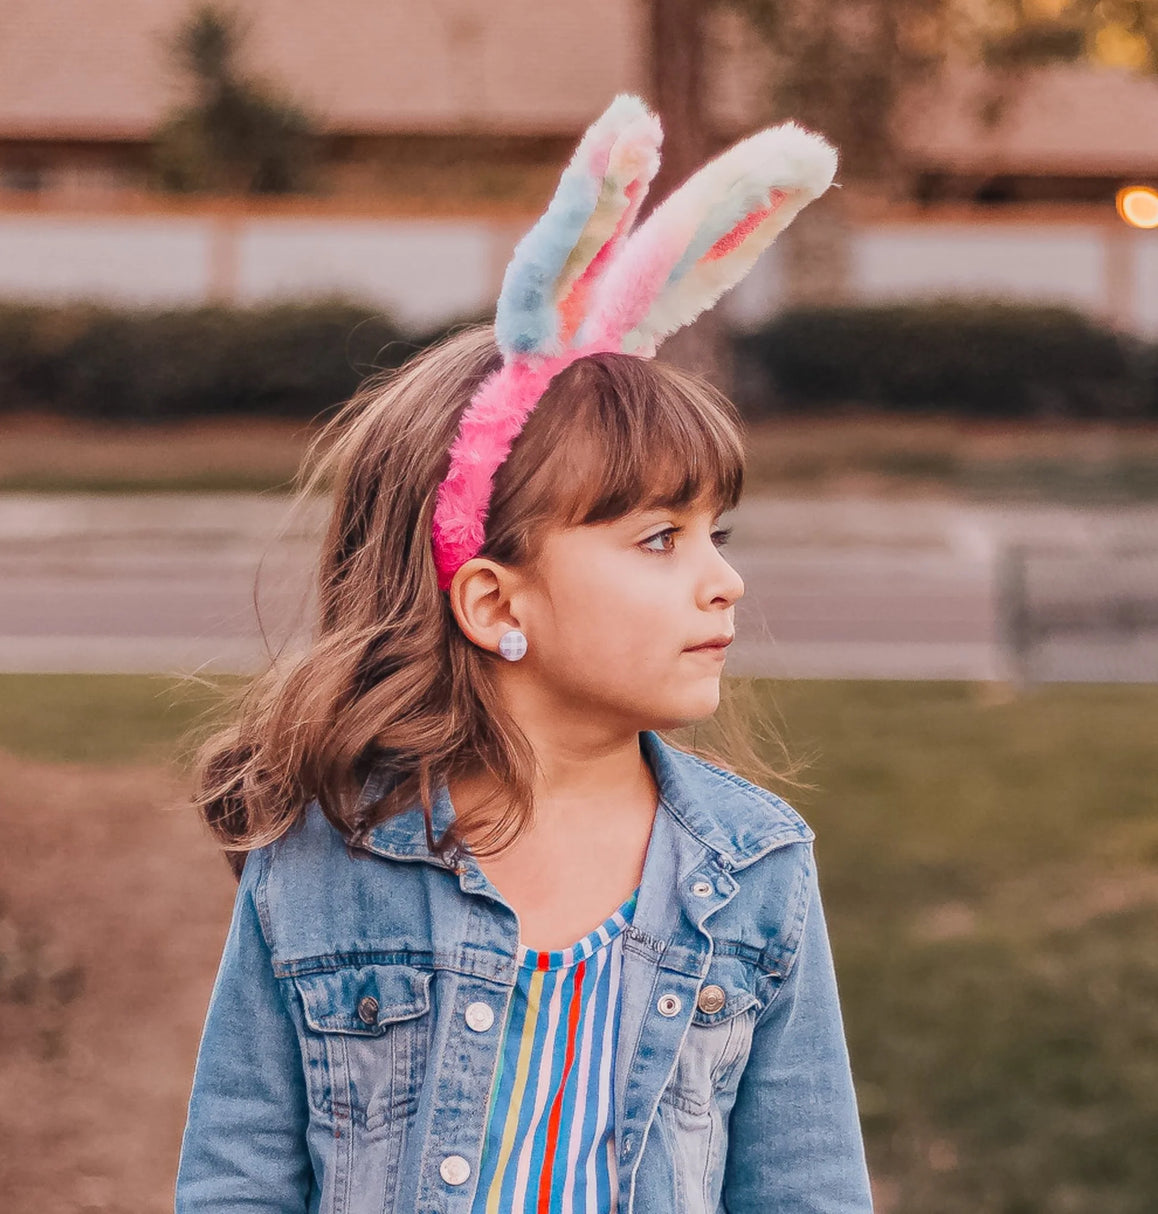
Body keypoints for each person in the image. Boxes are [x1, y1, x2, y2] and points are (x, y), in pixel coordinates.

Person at [175, 95, 874, 1213]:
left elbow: (806, 1184)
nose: (721, 580)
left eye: (714, 535)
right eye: (657, 538)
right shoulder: (323, 858)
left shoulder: (753, 871)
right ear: (496, 600)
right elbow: (236, 1177)